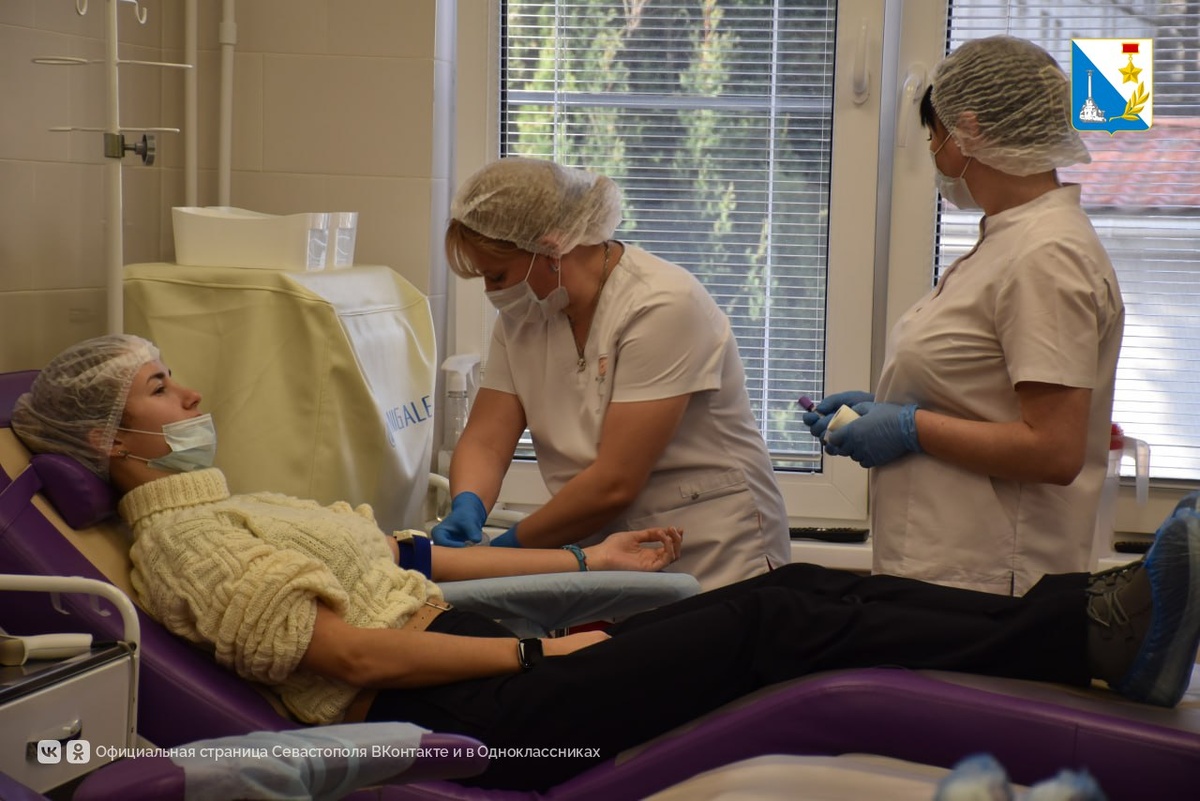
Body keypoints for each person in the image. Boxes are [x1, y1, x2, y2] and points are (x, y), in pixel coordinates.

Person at [12, 335, 1200, 792]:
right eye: (162, 388)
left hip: (482, 661)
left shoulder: (235, 502)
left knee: (790, 595)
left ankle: (1090, 623)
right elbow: (353, 656)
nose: (193, 391)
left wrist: (587, 554)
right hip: (473, 718)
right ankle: (1087, 630)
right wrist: (540, 652)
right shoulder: (179, 542)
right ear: (109, 440)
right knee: (776, 624)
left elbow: (409, 563)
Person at [804, 36, 1125, 596]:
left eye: (934, 135)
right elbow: (982, 393)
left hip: (992, 580)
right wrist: (887, 407)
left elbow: (1054, 450)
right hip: (950, 568)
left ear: (968, 131)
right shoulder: (1012, 240)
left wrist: (909, 427)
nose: (933, 152)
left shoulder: (1046, 254)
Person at [435, 156, 790, 590]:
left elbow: (614, 484)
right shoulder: (526, 316)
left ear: (550, 248)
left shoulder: (661, 305)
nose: (493, 292)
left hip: (714, 551)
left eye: (497, 275)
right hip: (606, 551)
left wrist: (506, 552)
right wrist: (467, 504)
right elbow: (487, 441)